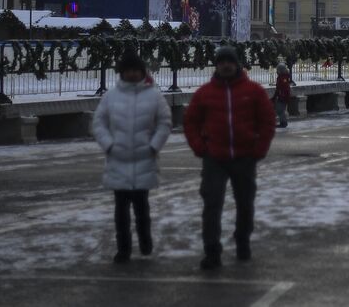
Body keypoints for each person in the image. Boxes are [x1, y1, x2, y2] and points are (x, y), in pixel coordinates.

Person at [184, 45, 276, 270]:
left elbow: (267, 120)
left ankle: (242, 240)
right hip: (214, 157)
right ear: (216, 65)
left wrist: (259, 149)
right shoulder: (205, 93)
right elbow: (190, 121)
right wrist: (199, 147)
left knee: (245, 204)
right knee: (212, 204)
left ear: (237, 65)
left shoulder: (253, 91)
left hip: (244, 156)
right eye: (221, 61)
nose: (226, 65)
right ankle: (212, 250)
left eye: (230, 61)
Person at [92, 50, 172, 263]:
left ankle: (145, 242)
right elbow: (98, 122)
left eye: (136, 70)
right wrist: (108, 145)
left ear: (142, 72)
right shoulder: (111, 96)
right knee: (121, 212)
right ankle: (123, 248)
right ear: (122, 73)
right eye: (128, 70)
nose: (133, 74)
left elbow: (165, 122)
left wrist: (154, 146)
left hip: (144, 159)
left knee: (141, 208)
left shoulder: (154, 95)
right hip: (118, 160)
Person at [272, 62, 292, 128]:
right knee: (279, 109)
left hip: (283, 97)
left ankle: (283, 123)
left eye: (278, 69)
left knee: (280, 110)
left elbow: (284, 88)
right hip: (281, 96)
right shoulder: (281, 77)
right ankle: (283, 122)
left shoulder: (284, 78)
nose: (277, 71)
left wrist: (282, 96)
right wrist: (275, 96)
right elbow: (278, 88)